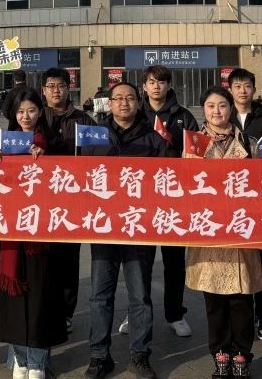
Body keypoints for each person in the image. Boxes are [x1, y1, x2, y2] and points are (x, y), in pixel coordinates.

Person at [81, 81, 166, 379]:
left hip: (138, 229)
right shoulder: (95, 136)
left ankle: (140, 355)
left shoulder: (154, 139)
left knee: (140, 295)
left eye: (130, 98)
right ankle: (99, 356)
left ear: (138, 102)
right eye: (118, 98)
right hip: (103, 228)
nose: (124, 103)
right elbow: (79, 176)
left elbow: (164, 181)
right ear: (109, 103)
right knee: (99, 295)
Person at [0, 90, 67, 379]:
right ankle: (20, 359)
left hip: (41, 236)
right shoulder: (2, 146)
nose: (26, 116)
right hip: (10, 235)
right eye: (20, 111)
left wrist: (47, 160)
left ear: (40, 112)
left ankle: (37, 362)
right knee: (13, 299)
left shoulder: (53, 143)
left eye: (31, 110)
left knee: (40, 299)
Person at [185, 86, 262, 379]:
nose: (216, 111)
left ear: (231, 109)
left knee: (242, 299)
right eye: (210, 106)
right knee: (214, 300)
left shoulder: (249, 143)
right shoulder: (193, 144)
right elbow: (184, 185)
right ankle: (220, 353)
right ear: (203, 110)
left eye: (222, 105)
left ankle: (242, 353)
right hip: (209, 230)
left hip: (241, 230)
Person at [124, 64, 199, 339]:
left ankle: (175, 313)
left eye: (162, 82)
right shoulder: (134, 114)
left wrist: (173, 147)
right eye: (152, 82)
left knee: (174, 262)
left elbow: (196, 154)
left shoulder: (183, 116)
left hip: (173, 200)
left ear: (169, 85)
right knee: (139, 262)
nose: (157, 86)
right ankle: (136, 312)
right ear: (144, 86)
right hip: (141, 199)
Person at [225, 68, 262, 341]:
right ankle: (242, 315)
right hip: (232, 201)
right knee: (238, 261)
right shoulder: (223, 118)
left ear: (254, 89)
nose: (242, 91)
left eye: (247, 86)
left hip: (261, 202)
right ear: (230, 90)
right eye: (237, 86)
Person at [40, 67, 96, 333]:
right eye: (51, 86)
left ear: (68, 88)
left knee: (69, 259)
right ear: (43, 90)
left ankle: (65, 313)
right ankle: (43, 308)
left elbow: (100, 154)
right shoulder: (35, 117)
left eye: (60, 85)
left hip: (72, 201)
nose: (56, 90)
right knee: (42, 258)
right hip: (41, 201)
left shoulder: (84, 120)